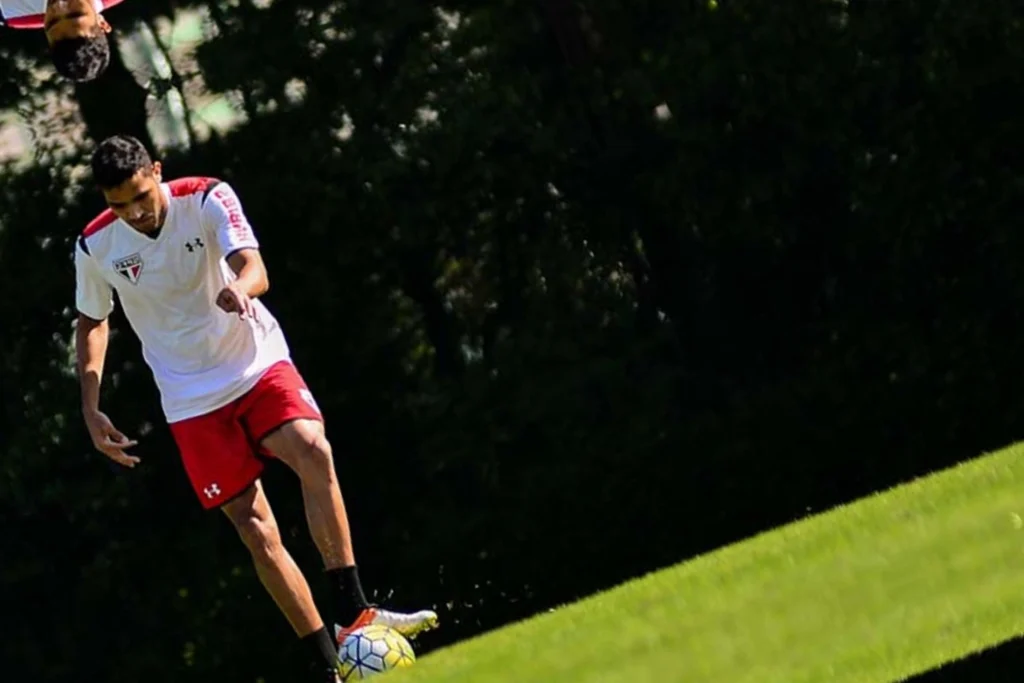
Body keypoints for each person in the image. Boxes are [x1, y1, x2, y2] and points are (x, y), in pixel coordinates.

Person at [73, 134, 438, 682]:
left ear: (157, 170)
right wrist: (91, 404)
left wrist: (241, 289)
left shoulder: (207, 198)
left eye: (141, 195)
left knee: (313, 449)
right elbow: (92, 320)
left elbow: (254, 267)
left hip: (255, 361)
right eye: (118, 204)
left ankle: (353, 609)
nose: (135, 212)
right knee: (255, 529)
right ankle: (327, 667)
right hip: (190, 398)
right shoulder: (95, 245)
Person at [1, 0, 123, 81]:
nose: (58, 5)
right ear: (101, 23)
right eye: (75, 14)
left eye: (51, 21)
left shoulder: (10, 10)